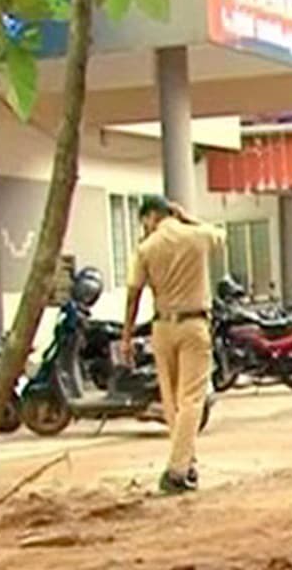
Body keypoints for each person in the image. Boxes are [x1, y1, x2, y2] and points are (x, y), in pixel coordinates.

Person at [122, 196, 225, 494]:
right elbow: (221, 236)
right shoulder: (197, 236)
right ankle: (179, 468)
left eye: (144, 221)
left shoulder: (146, 248)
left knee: (172, 401)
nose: (145, 227)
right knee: (192, 398)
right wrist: (187, 217)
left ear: (151, 216)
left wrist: (127, 336)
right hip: (194, 324)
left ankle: (184, 464)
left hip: (162, 326)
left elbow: (132, 295)